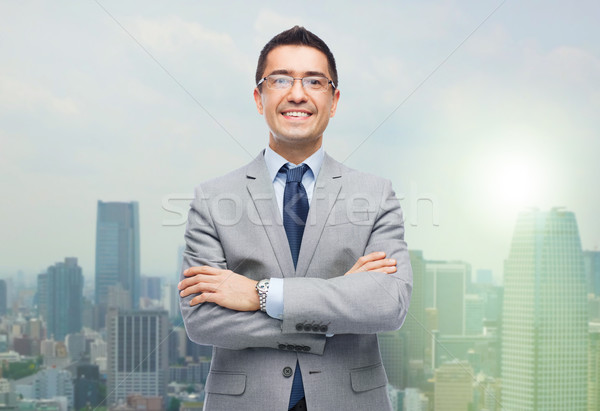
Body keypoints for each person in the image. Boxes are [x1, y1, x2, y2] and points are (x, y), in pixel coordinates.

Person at [178, 26, 412, 411]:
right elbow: (202, 320)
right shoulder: (212, 198)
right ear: (259, 97)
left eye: (314, 81)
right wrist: (337, 306)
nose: (297, 93)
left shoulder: (376, 194)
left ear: (334, 101)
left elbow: (388, 304)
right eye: (281, 79)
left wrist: (260, 295)